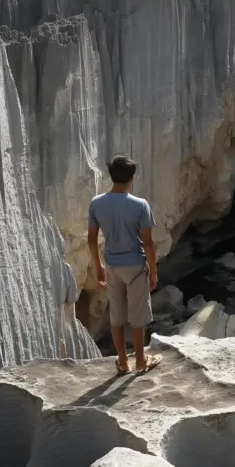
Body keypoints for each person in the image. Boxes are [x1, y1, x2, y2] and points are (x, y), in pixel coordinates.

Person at [87, 155, 162, 375]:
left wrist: (98, 265)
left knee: (116, 315)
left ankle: (122, 361)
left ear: (112, 176)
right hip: (136, 266)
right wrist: (154, 270)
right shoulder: (140, 205)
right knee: (137, 316)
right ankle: (140, 361)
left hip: (111, 264)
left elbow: (91, 239)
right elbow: (148, 243)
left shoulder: (97, 203)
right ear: (133, 178)